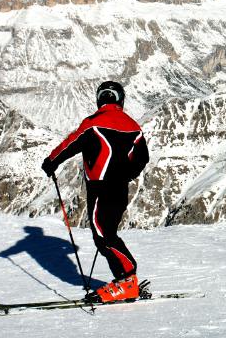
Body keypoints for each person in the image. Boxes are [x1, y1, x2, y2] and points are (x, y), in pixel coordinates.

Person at [41, 81, 149, 303]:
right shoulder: (133, 126)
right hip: (120, 189)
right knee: (107, 233)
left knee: (103, 235)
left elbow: (70, 144)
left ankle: (127, 280)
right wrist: (126, 174)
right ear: (120, 99)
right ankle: (124, 280)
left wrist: (51, 162)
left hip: (100, 187)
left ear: (100, 99)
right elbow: (142, 158)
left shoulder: (93, 124)